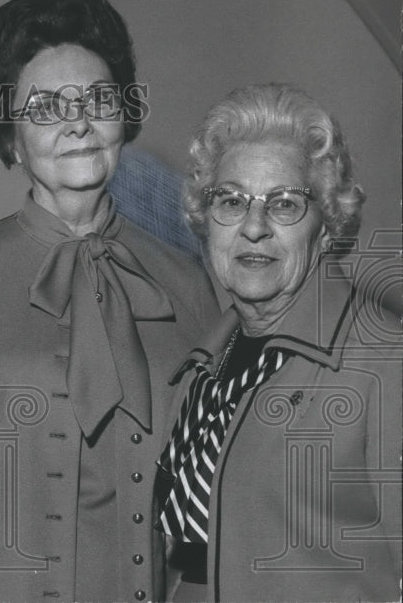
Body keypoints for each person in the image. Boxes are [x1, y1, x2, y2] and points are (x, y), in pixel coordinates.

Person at [0, 0, 220, 602]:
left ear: (124, 115)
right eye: (46, 106)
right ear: (10, 137)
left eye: (98, 99)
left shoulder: (188, 283)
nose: (77, 122)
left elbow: (206, 501)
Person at [154, 84, 402, 601]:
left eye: (285, 204)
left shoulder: (383, 363)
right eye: (231, 200)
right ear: (206, 220)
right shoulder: (201, 368)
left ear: (328, 225)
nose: (253, 227)